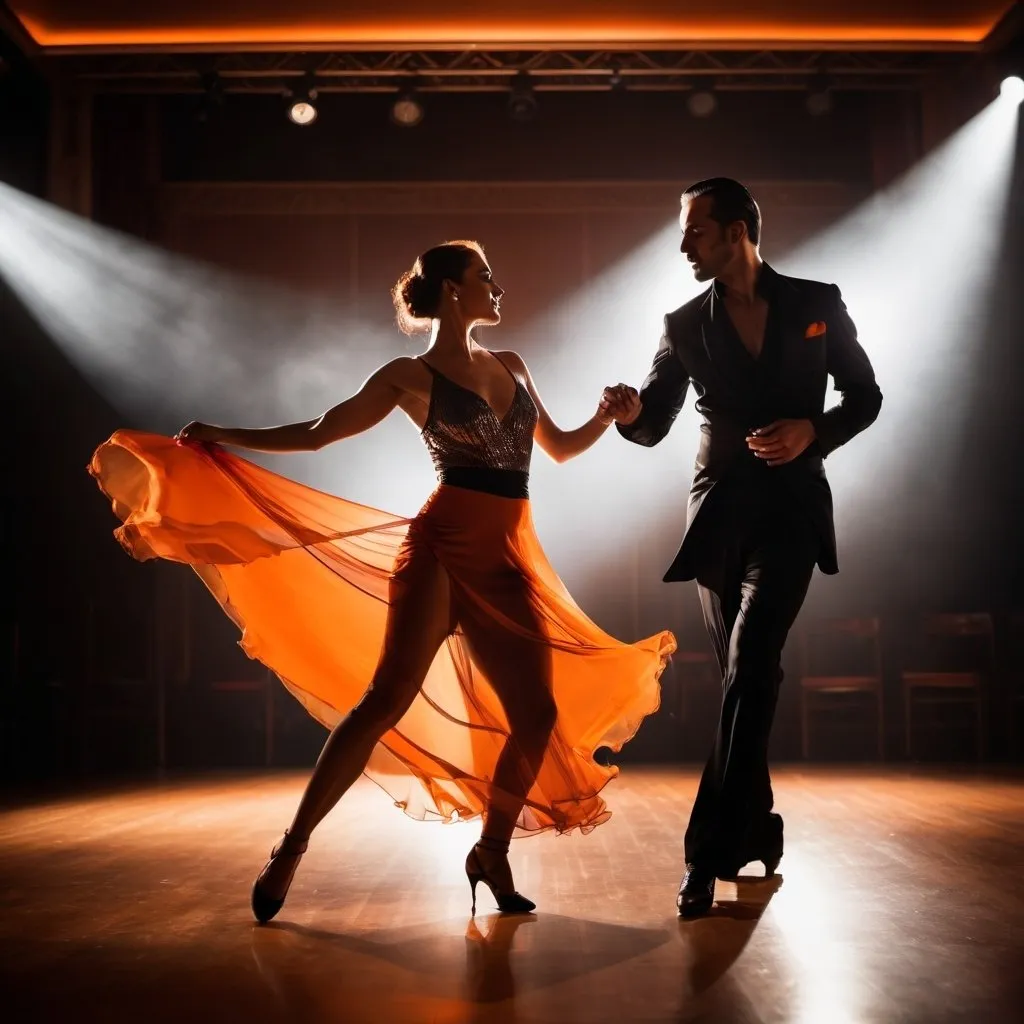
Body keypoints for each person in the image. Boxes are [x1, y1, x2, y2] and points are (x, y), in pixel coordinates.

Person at [89, 240, 674, 922]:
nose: (499, 287)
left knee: (538, 716)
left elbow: (562, 449)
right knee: (382, 703)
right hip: (441, 552)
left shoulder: (511, 365)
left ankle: (490, 851)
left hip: (508, 558)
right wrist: (223, 433)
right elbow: (316, 433)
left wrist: (608, 416)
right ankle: (291, 846)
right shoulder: (407, 375)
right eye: (486, 276)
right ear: (454, 290)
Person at [607, 178, 882, 917]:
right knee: (744, 681)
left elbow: (865, 397)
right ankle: (759, 828)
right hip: (718, 519)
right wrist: (629, 417)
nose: (683, 245)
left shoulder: (816, 302)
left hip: (792, 513)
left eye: (694, 231)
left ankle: (704, 859)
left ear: (736, 231)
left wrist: (812, 430)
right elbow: (655, 422)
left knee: (752, 665)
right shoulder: (681, 324)